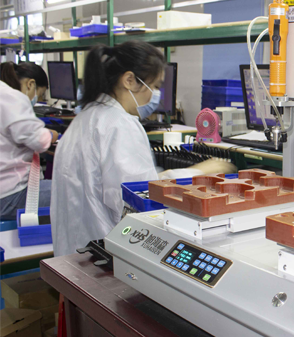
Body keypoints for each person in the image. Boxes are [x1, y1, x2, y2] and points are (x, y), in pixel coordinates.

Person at [51, 42, 234, 256]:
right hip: (105, 255)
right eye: (154, 86)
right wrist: (198, 173)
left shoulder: (86, 117)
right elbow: (140, 196)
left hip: (72, 252)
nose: (155, 95)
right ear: (129, 80)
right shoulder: (119, 124)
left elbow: (123, 183)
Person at [0, 63, 58, 220]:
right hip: (9, 197)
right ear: (30, 84)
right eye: (39, 94)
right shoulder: (11, 98)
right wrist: (51, 134)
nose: (35, 99)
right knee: (74, 191)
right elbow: (39, 141)